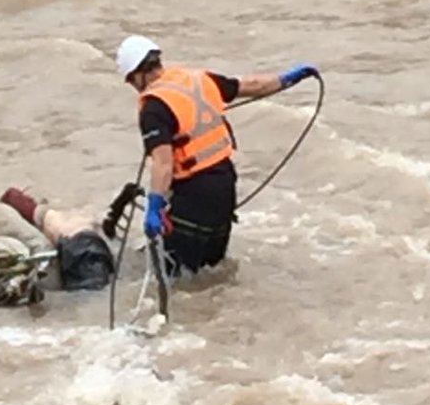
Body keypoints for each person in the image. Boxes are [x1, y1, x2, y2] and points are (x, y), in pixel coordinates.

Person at [116, 34, 320, 275]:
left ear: (138, 74)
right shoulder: (199, 79)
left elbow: (163, 163)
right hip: (225, 186)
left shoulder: (154, 107)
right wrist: (287, 79)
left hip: (195, 195)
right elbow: (253, 86)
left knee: (176, 275)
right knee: (214, 269)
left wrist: (155, 205)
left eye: (131, 80)